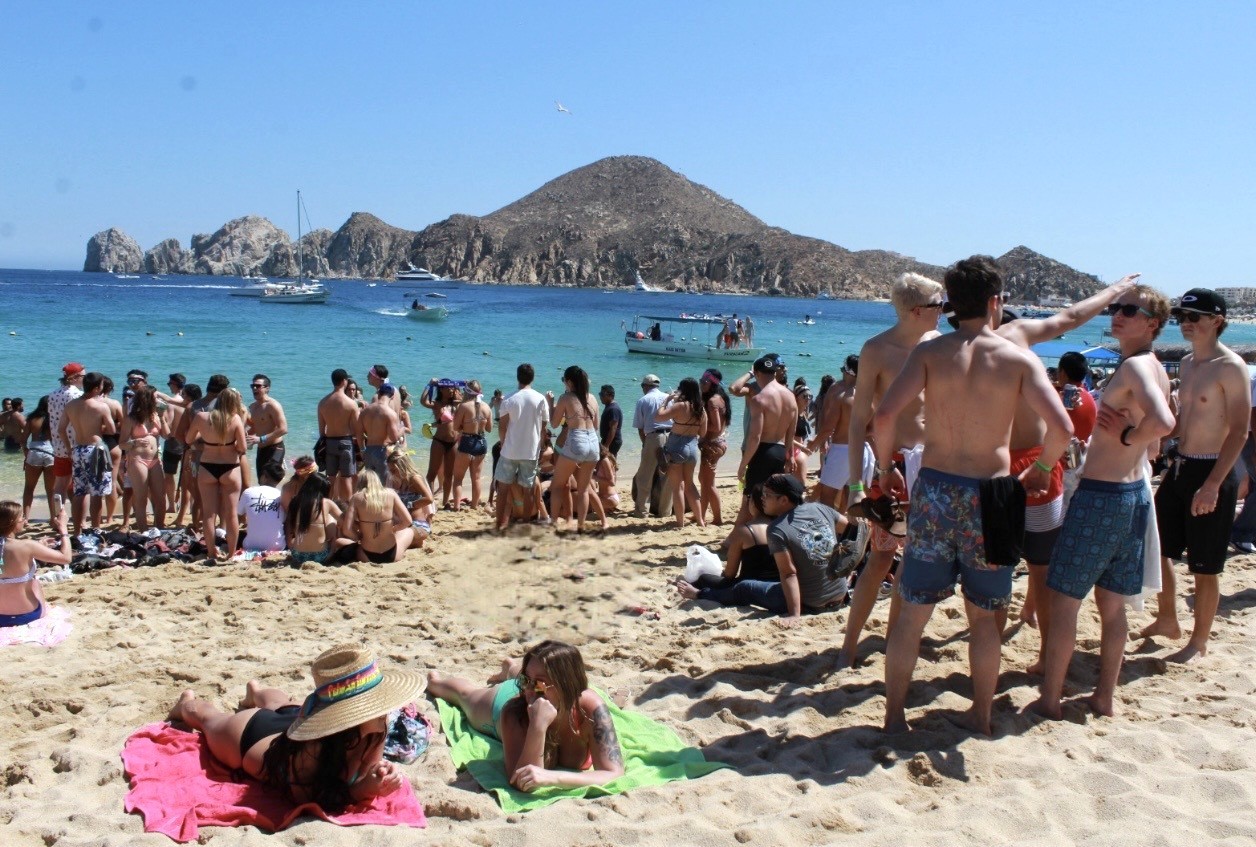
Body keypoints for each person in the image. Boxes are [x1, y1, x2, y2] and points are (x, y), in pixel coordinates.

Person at [875, 255, 1072, 736]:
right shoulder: (1017, 359)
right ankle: (981, 716)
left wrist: (884, 470)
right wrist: (1041, 469)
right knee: (985, 619)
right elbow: (1062, 428)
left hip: (937, 491)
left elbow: (884, 416)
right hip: (993, 496)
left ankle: (895, 717)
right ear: (994, 302)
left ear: (951, 303)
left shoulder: (930, 353)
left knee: (911, 615)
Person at [1032, 285, 1175, 719]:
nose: (1118, 314)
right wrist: (1131, 439)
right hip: (1133, 495)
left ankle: (1051, 700)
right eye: (1116, 307)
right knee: (1112, 607)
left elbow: (1164, 422)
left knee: (1064, 601)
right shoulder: (1155, 367)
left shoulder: (1134, 367)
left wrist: (1127, 435)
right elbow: (1156, 441)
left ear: (1152, 323)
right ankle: (1103, 697)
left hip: (1103, 497)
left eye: (1130, 310)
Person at [985, 273, 1141, 664]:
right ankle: (1044, 658)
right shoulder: (1018, 338)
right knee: (1042, 570)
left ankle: (991, 652)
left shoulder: (960, 349)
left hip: (996, 468)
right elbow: (1071, 316)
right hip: (1039, 463)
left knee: (996, 572)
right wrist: (1112, 291)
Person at [166, 644, 424, 812]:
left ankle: (255, 691)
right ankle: (185, 703)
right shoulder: (312, 750)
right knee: (208, 719)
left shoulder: (377, 725)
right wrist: (361, 790)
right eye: (377, 705)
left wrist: (380, 774)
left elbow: (369, 767)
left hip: (297, 723)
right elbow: (303, 797)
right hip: (252, 737)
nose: (387, 710)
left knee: (281, 703)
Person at [839, 273, 944, 670]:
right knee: (880, 558)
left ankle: (892, 640)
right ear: (916, 311)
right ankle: (849, 645)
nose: (944, 310)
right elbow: (857, 422)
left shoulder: (938, 343)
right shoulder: (877, 349)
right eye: (938, 304)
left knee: (913, 561)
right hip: (892, 466)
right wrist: (855, 483)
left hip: (931, 464)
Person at [1141, 289, 1250, 663]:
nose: (1185, 323)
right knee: (1159, 549)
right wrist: (1146, 434)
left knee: (1205, 565)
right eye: (1181, 317)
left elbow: (1239, 431)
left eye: (1193, 317)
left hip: (1213, 468)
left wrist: (1214, 484)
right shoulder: (1187, 363)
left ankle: (1199, 641)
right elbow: (1182, 422)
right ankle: (1167, 619)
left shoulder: (1231, 366)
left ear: (1216, 321)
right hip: (1181, 466)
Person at [427, 640, 625, 792]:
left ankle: (511, 669)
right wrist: (537, 726)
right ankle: (436, 682)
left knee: (530, 675)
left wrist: (553, 778)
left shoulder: (590, 709)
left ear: (566, 686)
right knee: (467, 696)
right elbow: (521, 782)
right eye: (525, 679)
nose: (529, 690)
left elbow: (613, 772)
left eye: (539, 684)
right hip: (500, 703)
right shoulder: (513, 712)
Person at [675, 475, 868, 621]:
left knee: (744, 587)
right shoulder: (820, 508)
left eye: (767, 495)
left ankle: (698, 594)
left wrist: (794, 615)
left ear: (784, 500)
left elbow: (789, 574)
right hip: (840, 595)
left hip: (810, 602)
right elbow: (853, 530)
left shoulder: (778, 529)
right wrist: (850, 565)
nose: (763, 499)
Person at [673, 484, 781, 601]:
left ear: (754, 503)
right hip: (775, 585)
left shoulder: (744, 531)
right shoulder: (780, 528)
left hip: (748, 586)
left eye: (749, 498)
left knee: (704, 578)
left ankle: (692, 589)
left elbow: (730, 574)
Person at [187, 387, 248, 560]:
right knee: (231, 513)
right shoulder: (235, 419)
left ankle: (211, 551)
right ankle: (231, 553)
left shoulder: (201, 417)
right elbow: (243, 448)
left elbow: (188, 439)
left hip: (207, 466)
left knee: (208, 514)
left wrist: (205, 441)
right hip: (230, 467)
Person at [735, 354, 796, 526]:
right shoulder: (790, 396)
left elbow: (755, 437)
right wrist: (790, 456)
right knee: (771, 500)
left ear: (757, 374)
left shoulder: (759, 399)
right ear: (774, 373)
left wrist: (743, 465)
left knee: (750, 500)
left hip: (762, 452)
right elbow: (791, 433)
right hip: (780, 451)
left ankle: (737, 535)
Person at [59, 371, 117, 534]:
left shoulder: (71, 405)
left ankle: (77, 531)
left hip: (78, 449)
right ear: (97, 388)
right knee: (97, 493)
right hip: (95, 450)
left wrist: (69, 448)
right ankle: (96, 529)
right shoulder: (100, 406)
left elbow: (61, 429)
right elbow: (112, 430)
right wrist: (98, 427)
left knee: (80, 492)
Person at [494, 364, 550, 532]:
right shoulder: (540, 398)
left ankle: (500, 524)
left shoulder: (509, 398)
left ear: (517, 377)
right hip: (530, 451)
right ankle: (526, 523)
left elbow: (502, 427)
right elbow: (544, 426)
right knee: (528, 490)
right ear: (533, 378)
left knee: (503, 489)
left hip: (510, 450)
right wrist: (540, 444)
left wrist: (503, 443)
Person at [812, 355, 871, 510]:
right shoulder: (867, 393)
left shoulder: (837, 390)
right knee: (852, 494)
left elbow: (828, 426)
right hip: (861, 451)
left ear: (845, 369)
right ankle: (848, 524)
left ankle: (830, 525)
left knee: (827, 496)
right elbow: (873, 428)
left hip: (841, 451)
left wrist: (812, 445)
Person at [0, 501, 72, 628]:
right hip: (28, 614)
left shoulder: (27, 546)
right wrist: (63, 529)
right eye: (22, 517)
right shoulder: (27, 546)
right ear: (12, 521)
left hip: (1, 617)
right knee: (34, 582)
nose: (25, 520)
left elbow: (6, 557)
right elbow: (66, 558)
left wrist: (38, 545)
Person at [548, 366, 602, 532]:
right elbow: (596, 425)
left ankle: (554, 523)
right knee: (584, 489)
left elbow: (554, 424)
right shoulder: (592, 398)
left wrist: (550, 404)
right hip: (593, 441)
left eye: (565, 381)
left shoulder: (566, 397)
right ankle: (581, 526)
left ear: (569, 382)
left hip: (577, 440)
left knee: (557, 485)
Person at [655, 377, 707, 530]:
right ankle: (700, 521)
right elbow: (703, 433)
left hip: (676, 447)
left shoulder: (680, 406)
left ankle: (680, 523)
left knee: (677, 487)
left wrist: (667, 400)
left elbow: (659, 416)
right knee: (690, 485)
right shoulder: (701, 409)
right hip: (692, 447)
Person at [342, 468, 415, 563]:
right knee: (409, 531)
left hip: (366, 556)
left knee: (344, 542)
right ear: (377, 480)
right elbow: (408, 521)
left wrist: (358, 537)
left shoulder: (356, 498)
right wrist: (393, 529)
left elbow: (347, 530)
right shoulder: (391, 493)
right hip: (392, 554)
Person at [124, 385, 170, 532]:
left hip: (155, 459)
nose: (158, 400)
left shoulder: (157, 415)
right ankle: (143, 530)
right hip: (138, 459)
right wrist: (134, 442)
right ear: (147, 399)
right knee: (141, 497)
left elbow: (166, 435)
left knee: (160, 497)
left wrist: (162, 418)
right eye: (156, 397)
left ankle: (159, 527)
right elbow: (121, 444)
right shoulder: (131, 418)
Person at [284, 469, 350, 563]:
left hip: (298, 556)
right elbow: (345, 521)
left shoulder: (295, 501)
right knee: (331, 521)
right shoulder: (326, 502)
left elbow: (288, 527)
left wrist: (291, 545)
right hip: (320, 557)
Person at [631, 375, 672, 519]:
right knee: (667, 476)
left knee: (644, 476)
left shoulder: (643, 400)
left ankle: (642, 510)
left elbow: (640, 427)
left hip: (654, 436)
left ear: (645, 386)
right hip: (671, 436)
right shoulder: (668, 398)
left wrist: (645, 444)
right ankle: (665, 512)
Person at [47, 363, 85, 520]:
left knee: (59, 486)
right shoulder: (77, 395)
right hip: (75, 445)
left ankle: (58, 517)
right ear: (75, 377)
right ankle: (80, 520)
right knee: (80, 487)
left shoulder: (52, 395)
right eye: (83, 376)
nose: (84, 379)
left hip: (58, 446)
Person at [317, 369, 360, 504]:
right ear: (344, 381)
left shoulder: (323, 402)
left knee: (330, 478)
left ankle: (327, 506)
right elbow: (357, 429)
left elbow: (321, 431)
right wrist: (362, 448)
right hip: (346, 442)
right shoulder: (350, 403)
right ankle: (349, 507)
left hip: (329, 442)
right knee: (346, 477)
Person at [449, 380, 492, 511]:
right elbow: (489, 429)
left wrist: (465, 426)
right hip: (481, 442)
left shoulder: (464, 406)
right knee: (476, 478)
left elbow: (455, 427)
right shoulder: (486, 407)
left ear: (467, 392)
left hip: (467, 441)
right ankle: (474, 506)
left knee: (458, 478)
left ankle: (456, 506)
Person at [421, 380, 461, 508]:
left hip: (453, 442)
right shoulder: (437, 404)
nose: (451, 390)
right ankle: (430, 502)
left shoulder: (457, 403)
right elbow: (423, 401)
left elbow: (473, 398)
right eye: (448, 388)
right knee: (432, 473)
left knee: (449, 475)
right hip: (439, 441)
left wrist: (463, 384)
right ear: (441, 390)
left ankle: (445, 502)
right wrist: (429, 385)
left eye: (452, 388)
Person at [697, 369, 730, 525]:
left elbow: (716, 426)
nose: (701, 384)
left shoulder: (712, 401)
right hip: (716, 443)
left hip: (712, 445)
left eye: (704, 382)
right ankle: (701, 515)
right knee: (704, 481)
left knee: (709, 484)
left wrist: (698, 426)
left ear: (712, 384)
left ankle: (717, 518)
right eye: (700, 381)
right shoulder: (719, 398)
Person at [385, 450, 436, 547]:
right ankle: (414, 541)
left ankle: (416, 540)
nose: (391, 473)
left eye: (394, 470)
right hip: (403, 524)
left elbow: (429, 499)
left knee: (392, 541)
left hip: (417, 524)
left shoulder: (414, 478)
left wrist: (410, 505)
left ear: (402, 466)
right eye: (390, 470)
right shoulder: (401, 480)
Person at [356, 384, 403, 481]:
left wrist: (362, 449)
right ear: (392, 397)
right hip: (382, 451)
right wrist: (402, 430)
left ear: (379, 394)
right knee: (384, 483)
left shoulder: (365, 411)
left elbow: (359, 433)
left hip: (368, 450)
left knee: (371, 483)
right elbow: (394, 437)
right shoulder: (390, 413)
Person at [238, 461, 287, 553]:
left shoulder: (248, 492)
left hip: (250, 545)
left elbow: (239, 515)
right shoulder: (282, 495)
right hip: (278, 546)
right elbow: (284, 520)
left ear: (264, 476)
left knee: (240, 534)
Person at [246, 374, 288, 479]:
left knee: (270, 480)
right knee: (261, 480)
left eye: (258, 386)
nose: (254, 388)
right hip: (261, 449)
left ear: (267, 388)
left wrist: (260, 439)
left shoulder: (273, 405)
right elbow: (256, 426)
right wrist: (243, 437)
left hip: (276, 448)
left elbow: (283, 429)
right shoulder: (252, 406)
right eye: (252, 386)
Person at [21, 396, 55, 520]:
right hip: (51, 452)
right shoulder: (54, 418)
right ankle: (53, 518)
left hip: (34, 452)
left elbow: (23, 440)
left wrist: (26, 454)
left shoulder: (31, 419)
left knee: (29, 488)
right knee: (51, 490)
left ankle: (25, 518)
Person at [162, 374, 189, 516]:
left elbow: (170, 426)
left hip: (173, 443)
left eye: (169, 384)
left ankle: (172, 505)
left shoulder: (171, 403)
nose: (169, 386)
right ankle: (188, 506)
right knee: (187, 476)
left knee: (169, 475)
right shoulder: (189, 402)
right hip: (187, 441)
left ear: (175, 385)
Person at [598, 384, 623, 460]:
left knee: (607, 462)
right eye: (600, 394)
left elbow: (613, 428)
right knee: (608, 462)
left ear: (610, 395)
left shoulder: (613, 409)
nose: (600, 397)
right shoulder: (609, 407)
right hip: (609, 440)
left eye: (602, 394)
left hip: (613, 441)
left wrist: (606, 445)